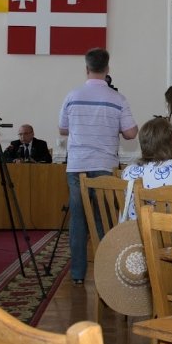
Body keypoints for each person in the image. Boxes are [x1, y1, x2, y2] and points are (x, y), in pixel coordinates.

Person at [59, 48, 138, 286]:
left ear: (87, 68)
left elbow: (63, 129)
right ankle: (107, 272)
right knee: (103, 218)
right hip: (104, 164)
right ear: (107, 69)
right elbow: (131, 134)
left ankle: (77, 274)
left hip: (77, 166)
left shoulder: (72, 95)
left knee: (78, 220)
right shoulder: (117, 99)